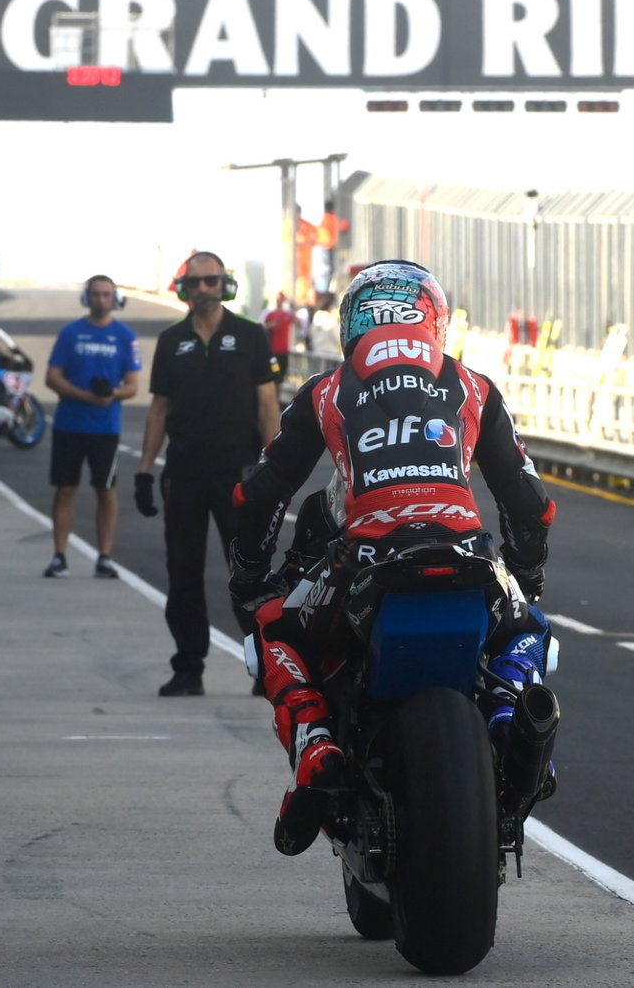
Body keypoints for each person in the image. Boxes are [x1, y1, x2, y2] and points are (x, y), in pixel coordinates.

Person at [226, 260, 557, 856]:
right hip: (467, 552)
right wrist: (525, 579)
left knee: (275, 630)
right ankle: (512, 716)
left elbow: (259, 493)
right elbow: (531, 503)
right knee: (529, 627)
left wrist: (251, 580)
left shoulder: (327, 390)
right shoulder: (473, 386)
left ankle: (317, 745)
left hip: (366, 558)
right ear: (435, 321)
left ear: (353, 324)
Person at [135, 251, 282, 697]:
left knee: (248, 573)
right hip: (183, 474)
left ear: (225, 285)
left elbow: (267, 405)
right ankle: (188, 666)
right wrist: (144, 471)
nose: (204, 290)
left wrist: (275, 470)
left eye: (211, 281)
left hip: (238, 473)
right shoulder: (171, 340)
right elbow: (159, 409)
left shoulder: (251, 336)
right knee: (182, 573)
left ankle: (268, 666)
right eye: (196, 283)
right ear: (184, 288)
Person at [42, 275, 142, 579]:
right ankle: (60, 556)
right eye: (96, 295)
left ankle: (105, 557)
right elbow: (52, 377)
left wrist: (111, 394)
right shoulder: (71, 333)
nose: (101, 300)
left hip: (105, 428)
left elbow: (133, 386)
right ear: (87, 297)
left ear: (114, 298)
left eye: (106, 295)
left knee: (106, 491)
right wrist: (81, 395)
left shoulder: (125, 337)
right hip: (69, 424)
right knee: (64, 490)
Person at [259, 291, 294, 359]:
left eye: (282, 299)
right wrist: (270, 325)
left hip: (284, 350)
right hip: (272, 350)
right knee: (274, 369)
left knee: (283, 368)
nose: (280, 301)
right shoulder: (268, 312)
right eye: (278, 299)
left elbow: (298, 324)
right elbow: (260, 327)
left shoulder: (287, 313)